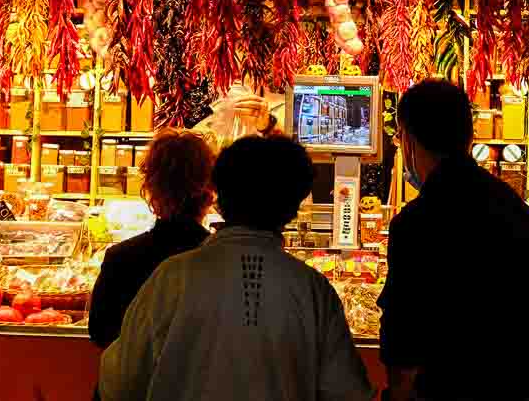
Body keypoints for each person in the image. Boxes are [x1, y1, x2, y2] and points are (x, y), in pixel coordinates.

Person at [99, 136, 373, 401]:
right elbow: (346, 390)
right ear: (293, 209)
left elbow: (120, 382)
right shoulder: (311, 289)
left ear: (217, 195)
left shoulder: (172, 277)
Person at [379, 79, 529, 401]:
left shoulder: (416, 222)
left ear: (409, 141)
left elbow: (403, 335)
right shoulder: (517, 212)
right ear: (470, 138)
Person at [89, 128, 216, 349]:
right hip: (202, 382)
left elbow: (101, 332)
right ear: (208, 189)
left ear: (150, 186)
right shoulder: (221, 260)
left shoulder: (121, 258)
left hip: (139, 383)